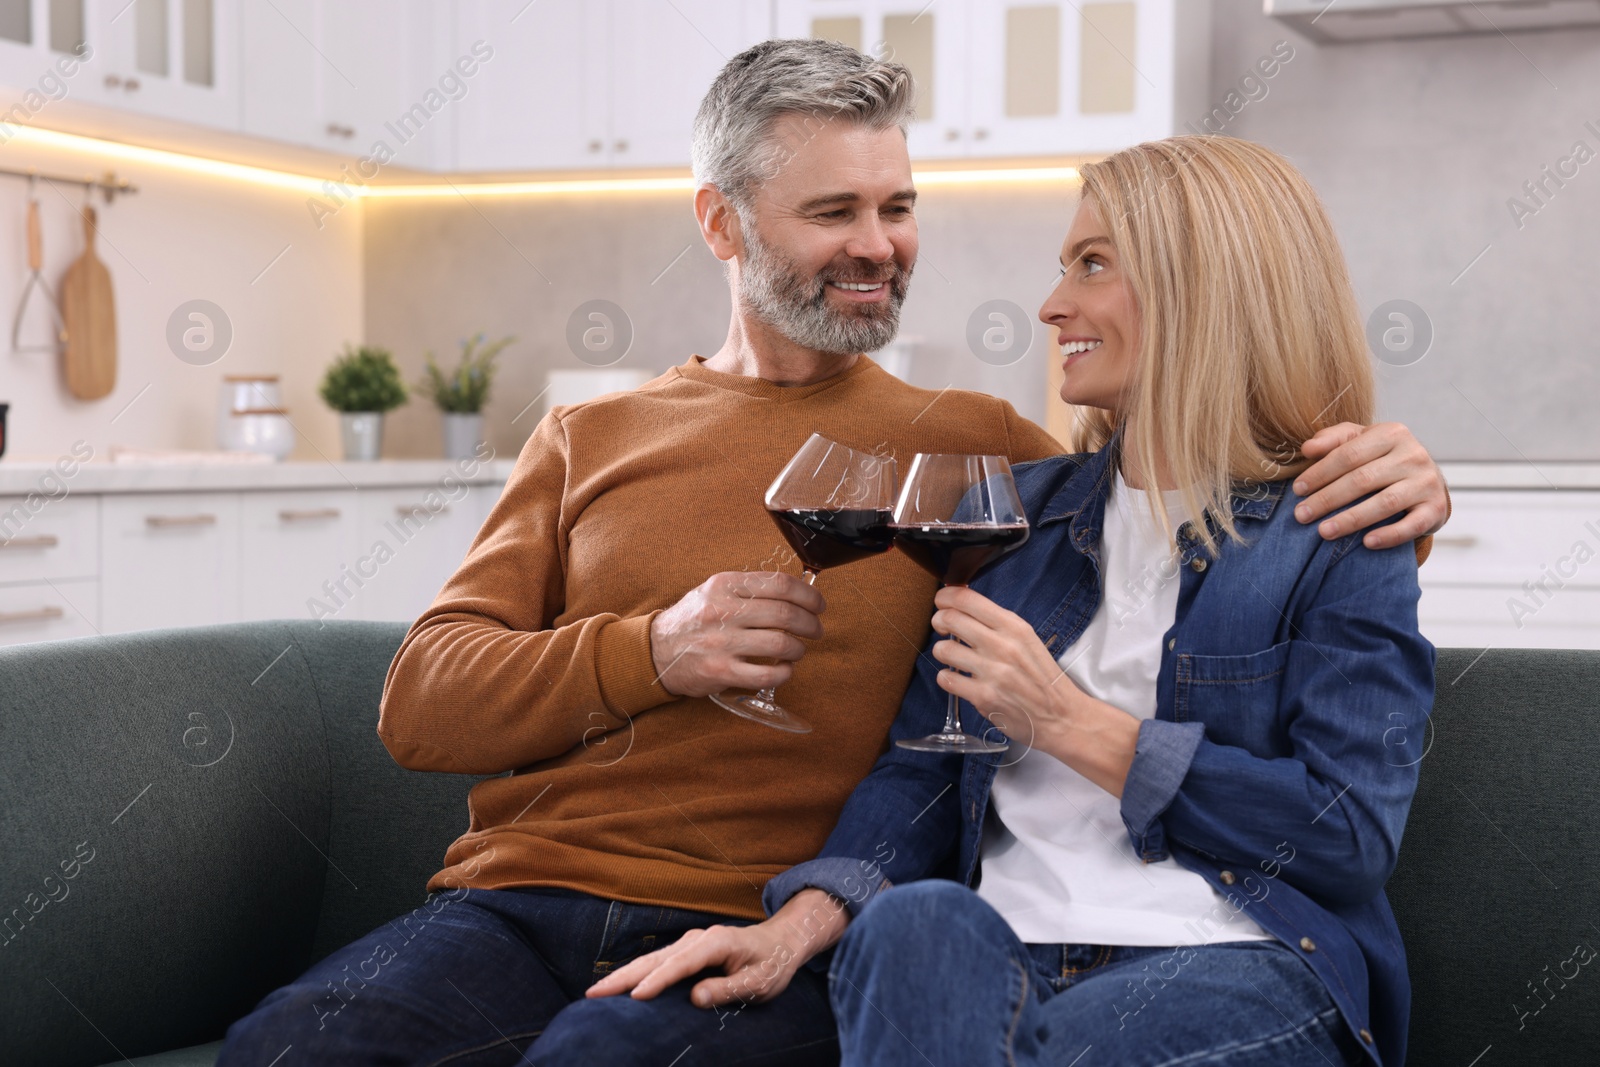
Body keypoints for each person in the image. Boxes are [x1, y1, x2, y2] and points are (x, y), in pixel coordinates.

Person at [218, 43, 1447, 1066]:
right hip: (536, 898)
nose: (879, 243)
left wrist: (1406, 488)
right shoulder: (597, 434)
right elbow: (421, 705)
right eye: (833, 212)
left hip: (824, 930)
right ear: (721, 221)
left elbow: (1211, 506)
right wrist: (656, 649)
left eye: (897, 207)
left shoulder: (975, 461)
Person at [594, 136, 1436, 1067]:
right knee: (915, 926)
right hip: (990, 955)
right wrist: (797, 924)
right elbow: (921, 771)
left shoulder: (1338, 528)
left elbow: (1347, 835)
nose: (1051, 305)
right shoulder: (1015, 515)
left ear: (1207, 286)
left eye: (1094, 264)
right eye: (1062, 266)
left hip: (1228, 959)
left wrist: (1071, 723)